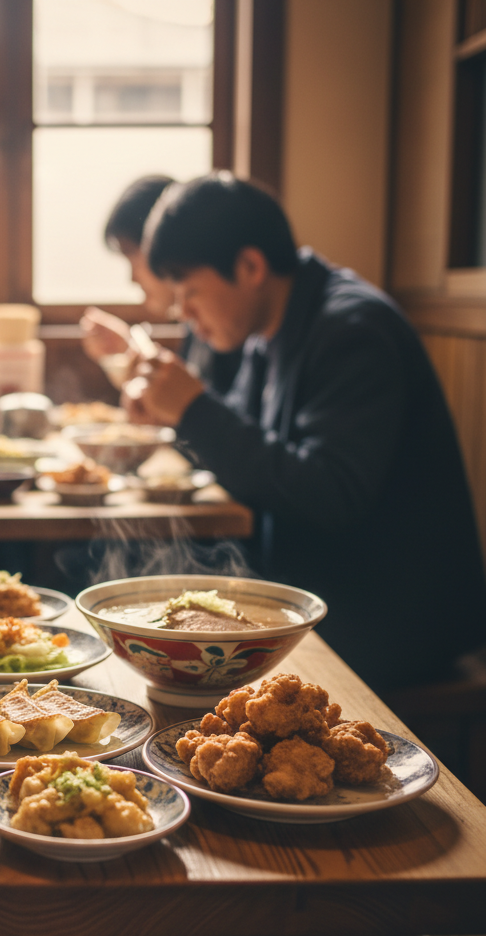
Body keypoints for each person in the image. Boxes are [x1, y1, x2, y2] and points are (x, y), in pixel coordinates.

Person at [122, 171, 486, 691]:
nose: (184, 315)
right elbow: (254, 458)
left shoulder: (353, 329)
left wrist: (195, 410)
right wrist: (173, 411)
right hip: (322, 590)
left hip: (388, 618)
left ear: (249, 266)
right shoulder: (267, 329)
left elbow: (330, 493)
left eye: (191, 293)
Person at [80, 175, 241, 395]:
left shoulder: (229, 317)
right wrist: (128, 353)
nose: (133, 278)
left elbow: (209, 413)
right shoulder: (196, 321)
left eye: (132, 256)